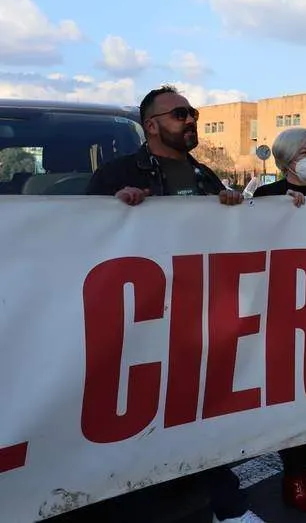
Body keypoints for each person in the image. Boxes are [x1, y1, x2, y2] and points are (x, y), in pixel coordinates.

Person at [86, 86, 261, 523]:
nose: (190, 120)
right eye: (179, 113)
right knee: (140, 416)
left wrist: (231, 208)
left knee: (204, 408)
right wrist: (114, 211)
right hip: (138, 324)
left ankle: (227, 503)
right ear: (151, 125)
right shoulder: (116, 176)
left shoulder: (204, 177)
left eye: (193, 112)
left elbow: (227, 242)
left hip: (196, 319)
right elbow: (81, 242)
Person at [252, 128, 306, 513]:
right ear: (286, 160)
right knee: (288, 398)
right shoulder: (267, 198)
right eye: (305, 151)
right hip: (283, 313)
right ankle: (294, 475)